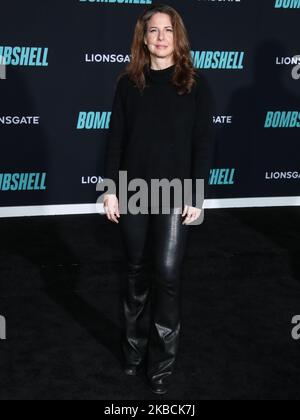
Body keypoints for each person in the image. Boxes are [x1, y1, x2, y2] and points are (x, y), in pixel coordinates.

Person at [103, 4, 215, 395]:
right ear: (144, 37)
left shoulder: (195, 84)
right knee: (135, 273)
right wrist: (110, 189)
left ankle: (161, 365)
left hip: (176, 193)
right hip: (133, 190)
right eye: (154, 30)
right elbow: (115, 139)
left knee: (166, 276)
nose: (161, 37)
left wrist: (197, 193)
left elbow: (204, 143)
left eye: (168, 30)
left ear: (177, 36)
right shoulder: (127, 84)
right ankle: (133, 352)